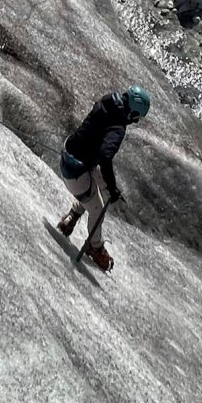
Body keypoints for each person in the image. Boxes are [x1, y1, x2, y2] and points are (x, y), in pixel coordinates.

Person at [56, 85, 150, 271]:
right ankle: (95, 247)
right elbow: (105, 157)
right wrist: (113, 187)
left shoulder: (107, 102)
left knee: (100, 187)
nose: (134, 122)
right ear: (132, 112)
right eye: (136, 118)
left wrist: (110, 187)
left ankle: (72, 217)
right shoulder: (118, 126)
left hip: (69, 156)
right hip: (77, 173)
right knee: (98, 208)